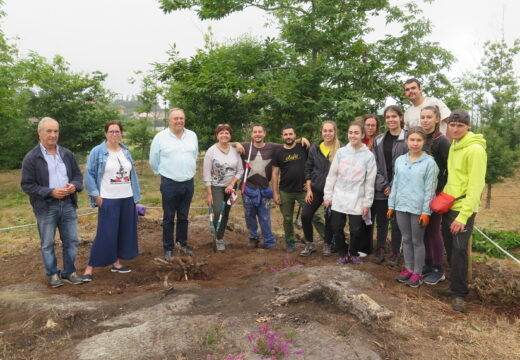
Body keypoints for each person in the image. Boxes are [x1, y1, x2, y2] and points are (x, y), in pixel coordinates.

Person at [21, 117, 84, 287]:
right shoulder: (32, 157)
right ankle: (52, 275)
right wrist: (50, 192)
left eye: (55, 131)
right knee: (48, 243)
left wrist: (74, 186)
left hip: (68, 204)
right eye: (49, 131)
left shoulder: (66, 154)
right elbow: (27, 185)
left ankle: (69, 272)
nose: (53, 135)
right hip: (46, 206)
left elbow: (78, 176)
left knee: (71, 241)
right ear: (39, 133)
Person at [439, 110, 487, 313]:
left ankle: (460, 295)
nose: (455, 129)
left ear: (468, 126)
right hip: (449, 206)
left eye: (460, 125)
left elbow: (476, 187)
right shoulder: (455, 145)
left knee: (459, 252)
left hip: (463, 210)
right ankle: (453, 286)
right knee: (450, 249)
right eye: (452, 125)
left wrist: (463, 216)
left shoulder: (475, 150)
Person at [82, 121, 141, 282]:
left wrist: (136, 197)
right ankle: (89, 268)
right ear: (105, 133)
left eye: (117, 131)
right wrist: (96, 196)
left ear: (121, 133)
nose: (114, 134)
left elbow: (131, 174)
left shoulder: (126, 151)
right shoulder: (98, 152)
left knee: (122, 232)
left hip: (127, 198)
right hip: (108, 199)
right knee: (105, 233)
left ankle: (116, 263)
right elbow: (89, 175)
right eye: (111, 131)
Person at [388, 127, 439, 287]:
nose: (415, 143)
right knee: (406, 239)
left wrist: (426, 212)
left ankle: (418, 272)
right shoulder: (400, 160)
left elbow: (430, 190)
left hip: (418, 209)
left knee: (417, 241)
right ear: (406, 141)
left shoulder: (429, 163)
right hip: (402, 206)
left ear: (424, 142)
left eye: (419, 140)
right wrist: (391, 205)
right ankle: (409, 269)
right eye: (412, 140)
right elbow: (395, 184)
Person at [323, 122, 377, 264]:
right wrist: (327, 196)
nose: (352, 135)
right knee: (336, 226)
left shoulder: (368, 156)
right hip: (339, 197)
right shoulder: (341, 153)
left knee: (356, 229)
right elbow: (332, 175)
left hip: (357, 198)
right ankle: (342, 252)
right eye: (350, 132)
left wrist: (367, 203)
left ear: (362, 135)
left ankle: (353, 253)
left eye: (356, 133)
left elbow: (370, 182)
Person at [150, 108, 198, 259]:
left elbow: (194, 155)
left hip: (188, 183)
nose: (179, 121)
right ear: (169, 121)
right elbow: (153, 160)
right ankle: (168, 248)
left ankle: (182, 244)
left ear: (185, 120)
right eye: (175, 118)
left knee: (183, 216)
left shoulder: (192, 136)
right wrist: (163, 173)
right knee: (169, 217)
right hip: (169, 183)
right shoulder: (160, 137)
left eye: (181, 118)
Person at [372, 105, 407, 267]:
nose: (391, 120)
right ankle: (380, 248)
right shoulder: (378, 140)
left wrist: (393, 185)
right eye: (388, 117)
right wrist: (384, 184)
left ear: (400, 117)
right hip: (381, 188)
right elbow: (375, 165)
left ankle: (395, 251)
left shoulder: (408, 138)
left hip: (401, 188)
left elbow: (407, 165)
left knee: (397, 222)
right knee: (381, 220)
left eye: (394, 116)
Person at [420, 106, 451, 285]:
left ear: (437, 119)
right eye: (422, 117)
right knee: (423, 228)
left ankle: (439, 268)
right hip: (420, 192)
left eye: (429, 117)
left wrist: (442, 192)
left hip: (437, 193)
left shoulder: (442, 142)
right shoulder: (420, 139)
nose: (425, 120)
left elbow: (450, 169)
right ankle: (428, 263)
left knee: (433, 230)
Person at [271, 125, 313, 253]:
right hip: (285, 191)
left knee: (314, 215)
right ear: (282, 136)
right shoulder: (278, 152)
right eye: (285, 134)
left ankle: (327, 241)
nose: (288, 136)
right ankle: (290, 242)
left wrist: (311, 185)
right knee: (287, 219)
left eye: (290, 134)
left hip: (303, 190)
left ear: (295, 135)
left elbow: (313, 164)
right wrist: (275, 193)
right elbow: (274, 174)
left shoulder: (303, 147)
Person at [300, 121, 339, 257]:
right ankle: (309, 244)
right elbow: (308, 170)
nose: (327, 133)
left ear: (335, 132)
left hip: (333, 191)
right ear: (321, 132)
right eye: (325, 130)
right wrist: (309, 190)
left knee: (329, 218)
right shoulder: (315, 149)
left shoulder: (341, 149)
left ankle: (327, 244)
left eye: (330, 131)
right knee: (305, 215)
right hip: (315, 189)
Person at [203, 124, 244, 252]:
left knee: (225, 212)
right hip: (216, 186)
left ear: (230, 136)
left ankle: (220, 237)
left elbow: (240, 170)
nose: (224, 135)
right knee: (217, 211)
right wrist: (209, 194)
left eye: (227, 133)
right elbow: (206, 173)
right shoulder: (211, 151)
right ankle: (217, 238)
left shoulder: (235, 150)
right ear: (217, 135)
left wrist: (232, 184)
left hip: (231, 187)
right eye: (221, 133)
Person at [359, 114, 380, 256]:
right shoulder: (359, 140)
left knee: (370, 217)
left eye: (373, 125)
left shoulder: (379, 141)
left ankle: (368, 247)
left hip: (375, 183)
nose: (370, 128)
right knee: (360, 215)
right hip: (359, 183)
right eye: (368, 125)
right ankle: (360, 245)